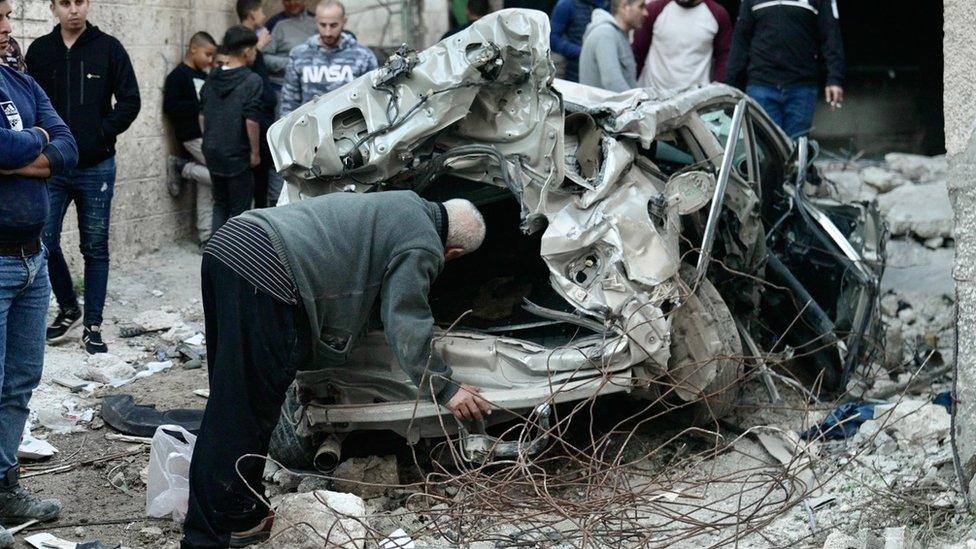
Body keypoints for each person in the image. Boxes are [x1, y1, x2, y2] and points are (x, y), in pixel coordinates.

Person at [180, 191, 490, 548]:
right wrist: (446, 388)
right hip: (267, 272)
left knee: (235, 400)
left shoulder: (406, 202)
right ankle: (205, 538)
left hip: (232, 243)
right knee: (242, 411)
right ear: (454, 253)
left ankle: (241, 514)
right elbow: (405, 320)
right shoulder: (423, 244)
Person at [0, 1, 79, 545]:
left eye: (7, 15)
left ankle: (5, 487)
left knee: (20, 383)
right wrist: (33, 143)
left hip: (33, 260)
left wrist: (22, 151)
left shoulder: (16, 77)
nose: (7, 26)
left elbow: (69, 144)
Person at [26, 0, 141, 354]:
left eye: (79, 2)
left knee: (94, 246)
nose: (73, 10)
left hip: (97, 166)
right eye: (65, 3)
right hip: (54, 167)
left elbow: (130, 101)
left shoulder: (108, 48)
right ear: (52, 8)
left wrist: (100, 133)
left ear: (87, 5)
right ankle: (68, 308)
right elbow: (28, 102)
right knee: (44, 240)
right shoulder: (40, 51)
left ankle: (93, 325)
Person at [725, 0, 845, 138]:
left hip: (801, 86)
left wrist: (835, 79)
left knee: (797, 150)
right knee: (765, 150)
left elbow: (831, 35)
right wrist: (730, 83)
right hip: (761, 84)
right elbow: (740, 40)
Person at [199, 26, 263, 233]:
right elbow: (251, 120)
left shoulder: (212, 76)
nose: (255, 54)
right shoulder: (252, 80)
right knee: (240, 209)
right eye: (254, 49)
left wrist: (209, 140)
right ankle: (234, 259)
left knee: (220, 202)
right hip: (237, 153)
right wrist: (254, 152)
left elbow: (202, 115)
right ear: (246, 51)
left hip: (212, 150)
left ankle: (215, 252)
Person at [278, 0, 378, 117]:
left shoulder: (364, 56)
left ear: (344, 22)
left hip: (352, 127)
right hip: (309, 128)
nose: (327, 32)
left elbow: (373, 98)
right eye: (323, 25)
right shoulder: (298, 55)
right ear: (316, 21)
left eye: (333, 25)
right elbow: (289, 101)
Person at [164, 32, 217, 246]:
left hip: (207, 136)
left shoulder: (204, 76)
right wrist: (200, 108)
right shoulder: (178, 76)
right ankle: (182, 167)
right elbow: (171, 107)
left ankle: (206, 237)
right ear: (193, 48)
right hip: (191, 136)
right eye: (208, 54)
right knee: (221, 176)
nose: (210, 60)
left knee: (208, 184)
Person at [631, 0, 732, 95]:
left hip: (696, 100)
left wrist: (716, 92)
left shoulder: (718, 14)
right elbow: (637, 53)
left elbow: (724, 57)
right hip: (653, 96)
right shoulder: (654, 9)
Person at [236, 0, 278, 208]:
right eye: (261, 10)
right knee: (257, 178)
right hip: (255, 118)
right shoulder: (243, 41)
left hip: (265, 117)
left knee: (265, 174)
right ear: (252, 14)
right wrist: (258, 48)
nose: (263, 14)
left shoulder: (257, 39)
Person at [578, 0, 644, 93]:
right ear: (624, 6)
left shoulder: (619, 35)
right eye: (641, 6)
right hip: (603, 106)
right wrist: (637, 104)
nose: (646, 13)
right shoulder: (606, 34)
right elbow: (612, 82)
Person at [261, 0, 317, 86]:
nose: (292, 3)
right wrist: (290, 63)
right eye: (288, 0)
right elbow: (263, 56)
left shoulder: (317, 21)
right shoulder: (273, 24)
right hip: (282, 84)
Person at [549, 0, 606, 82]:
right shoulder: (567, 4)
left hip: (600, 68)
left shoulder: (606, 5)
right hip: (573, 69)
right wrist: (581, 51)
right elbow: (553, 38)